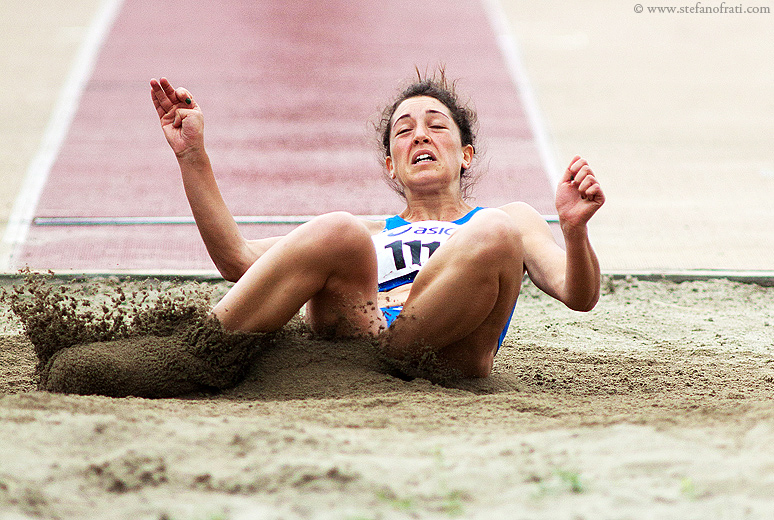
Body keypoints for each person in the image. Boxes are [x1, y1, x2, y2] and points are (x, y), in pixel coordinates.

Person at [149, 71, 605, 379]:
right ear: (391, 165)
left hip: (451, 353)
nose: (420, 135)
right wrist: (192, 155)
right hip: (360, 339)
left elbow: (579, 294)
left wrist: (574, 230)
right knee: (338, 229)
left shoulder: (509, 222)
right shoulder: (368, 233)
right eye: (404, 131)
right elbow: (237, 259)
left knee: (494, 229)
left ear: (466, 155)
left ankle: (395, 353)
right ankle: (192, 354)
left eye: (436, 126)